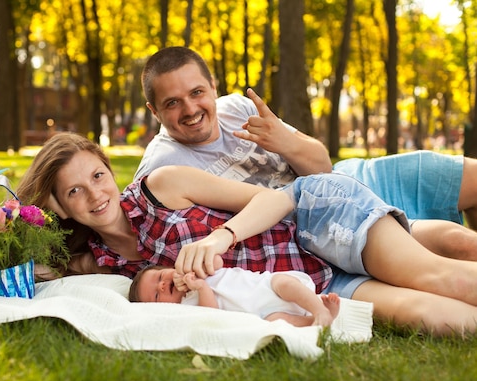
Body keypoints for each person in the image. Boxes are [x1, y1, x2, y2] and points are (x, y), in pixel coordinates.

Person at [17, 132, 477, 336]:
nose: (95, 195)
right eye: (74, 191)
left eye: (98, 176)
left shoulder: (162, 186)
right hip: (313, 287)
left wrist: (221, 238)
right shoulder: (101, 261)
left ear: (108, 169)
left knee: (441, 278)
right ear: (59, 206)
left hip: (316, 225)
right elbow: (23, 270)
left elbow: (280, 198)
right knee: (433, 317)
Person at [135, 46, 477, 261]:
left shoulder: (238, 108)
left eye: (197, 92)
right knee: (459, 245)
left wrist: (284, 141)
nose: (191, 109)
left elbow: (322, 164)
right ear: (154, 111)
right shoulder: (163, 168)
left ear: (213, 87)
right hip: (328, 221)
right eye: (172, 103)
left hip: (349, 176)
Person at [128, 264, 341, 328]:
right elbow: (212, 316)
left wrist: (195, 273)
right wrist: (201, 288)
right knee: (278, 322)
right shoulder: (187, 308)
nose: (163, 285)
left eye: (159, 277)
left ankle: (318, 308)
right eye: (157, 295)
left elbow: (217, 260)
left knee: (284, 283)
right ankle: (315, 321)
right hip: (265, 313)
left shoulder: (194, 269)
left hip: (266, 286)